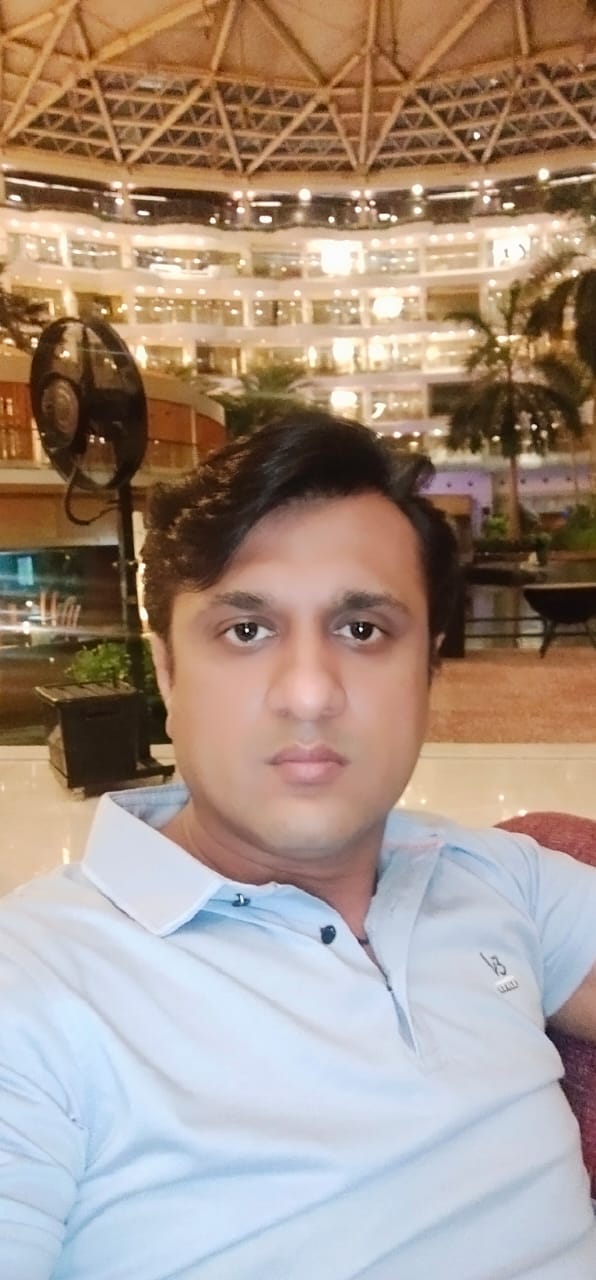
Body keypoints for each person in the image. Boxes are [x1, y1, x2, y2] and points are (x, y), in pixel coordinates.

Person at [1, 410, 596, 1280]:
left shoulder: (501, 879)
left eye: (363, 630)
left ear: (428, 667)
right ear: (166, 671)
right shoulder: (34, 983)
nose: (311, 693)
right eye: (246, 630)